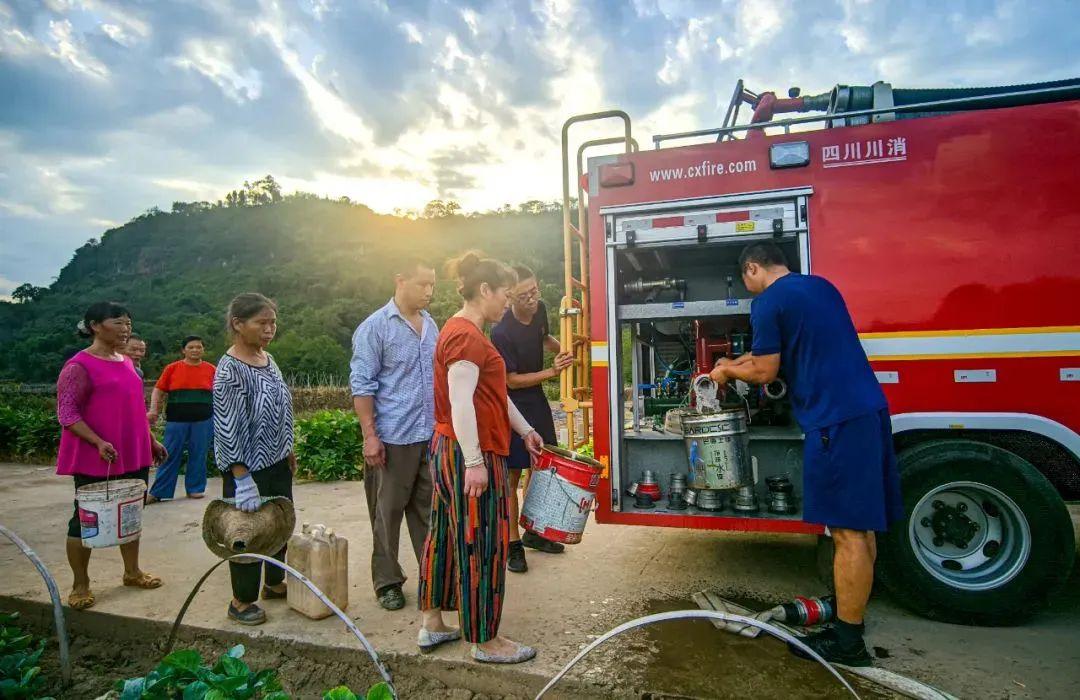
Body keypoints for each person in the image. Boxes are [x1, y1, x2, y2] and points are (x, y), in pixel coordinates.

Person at [709, 242, 903, 666]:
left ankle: (848, 645)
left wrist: (724, 371)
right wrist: (731, 360)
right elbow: (764, 355)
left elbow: (764, 371)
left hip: (835, 422)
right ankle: (851, 617)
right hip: (868, 411)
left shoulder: (767, 303)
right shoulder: (820, 287)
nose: (748, 287)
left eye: (746, 280)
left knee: (848, 533)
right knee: (864, 529)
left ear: (753, 268)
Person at [418, 252, 544, 664]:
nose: (508, 302)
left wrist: (525, 431)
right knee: (481, 541)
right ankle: (485, 639)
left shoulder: (470, 333)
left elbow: (493, 395)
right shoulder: (466, 337)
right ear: (484, 290)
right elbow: (461, 403)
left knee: (446, 537)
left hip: (451, 448)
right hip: (466, 450)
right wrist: (474, 461)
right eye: (505, 294)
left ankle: (433, 623)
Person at [55, 302, 168, 610]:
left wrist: (151, 440)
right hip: (98, 455)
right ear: (95, 325)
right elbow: (67, 414)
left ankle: (132, 572)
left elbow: (132, 410)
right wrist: (97, 441)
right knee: (84, 518)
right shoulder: (78, 366)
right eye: (118, 322)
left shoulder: (127, 362)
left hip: (133, 452)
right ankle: (81, 583)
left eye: (128, 323)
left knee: (131, 512)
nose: (126, 328)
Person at [350, 260, 439, 611]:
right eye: (422, 284)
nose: (429, 291)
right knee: (386, 515)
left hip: (427, 436)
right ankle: (387, 582)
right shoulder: (375, 328)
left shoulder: (431, 326)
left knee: (429, 512)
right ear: (399, 280)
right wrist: (369, 435)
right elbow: (362, 386)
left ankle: (431, 577)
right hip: (392, 439)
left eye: (432, 285)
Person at [212, 293, 297, 626]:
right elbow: (229, 426)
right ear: (238, 324)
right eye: (261, 323)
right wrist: (241, 476)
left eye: (273, 322)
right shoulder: (229, 371)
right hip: (247, 468)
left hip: (275, 459)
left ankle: (274, 583)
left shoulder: (267, 359)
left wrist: (286, 447)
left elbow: (279, 408)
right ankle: (240, 601)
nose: (269, 329)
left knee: (278, 522)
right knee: (247, 530)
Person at [490, 265, 574, 573]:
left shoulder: (540, 311)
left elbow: (544, 337)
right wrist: (553, 371)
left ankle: (534, 533)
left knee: (541, 469)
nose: (532, 299)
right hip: (512, 405)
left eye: (535, 291)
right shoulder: (501, 330)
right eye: (525, 295)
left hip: (537, 400)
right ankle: (513, 544)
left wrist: (563, 349)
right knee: (513, 476)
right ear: (509, 295)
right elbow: (510, 381)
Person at [146, 336, 215, 502]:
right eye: (191, 347)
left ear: (203, 350)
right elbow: (159, 390)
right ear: (183, 350)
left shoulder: (212, 369)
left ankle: (195, 488)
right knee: (168, 453)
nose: (195, 350)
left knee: (199, 453)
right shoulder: (173, 368)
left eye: (198, 347)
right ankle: (159, 491)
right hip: (177, 420)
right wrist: (154, 410)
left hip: (203, 419)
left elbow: (221, 394)